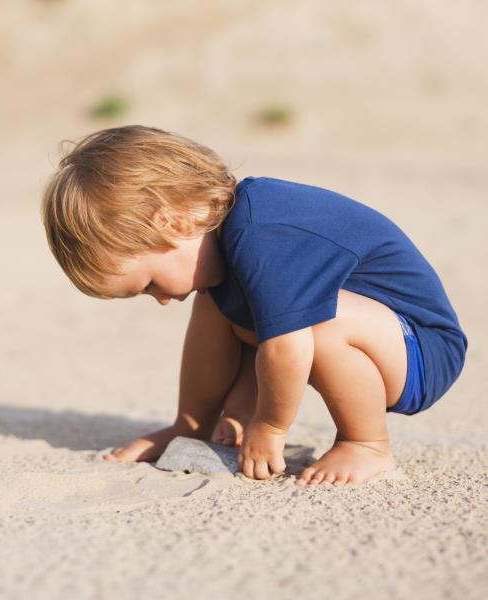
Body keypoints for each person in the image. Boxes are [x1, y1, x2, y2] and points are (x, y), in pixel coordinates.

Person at [40, 125, 467, 485]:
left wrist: (270, 425)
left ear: (171, 220)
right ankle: (190, 424)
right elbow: (257, 326)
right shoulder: (226, 251)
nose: (165, 300)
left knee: (316, 321)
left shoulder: (261, 231)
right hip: (369, 334)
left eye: (151, 283)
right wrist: (241, 413)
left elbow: (286, 346)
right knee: (214, 302)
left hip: (420, 348)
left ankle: (366, 443)